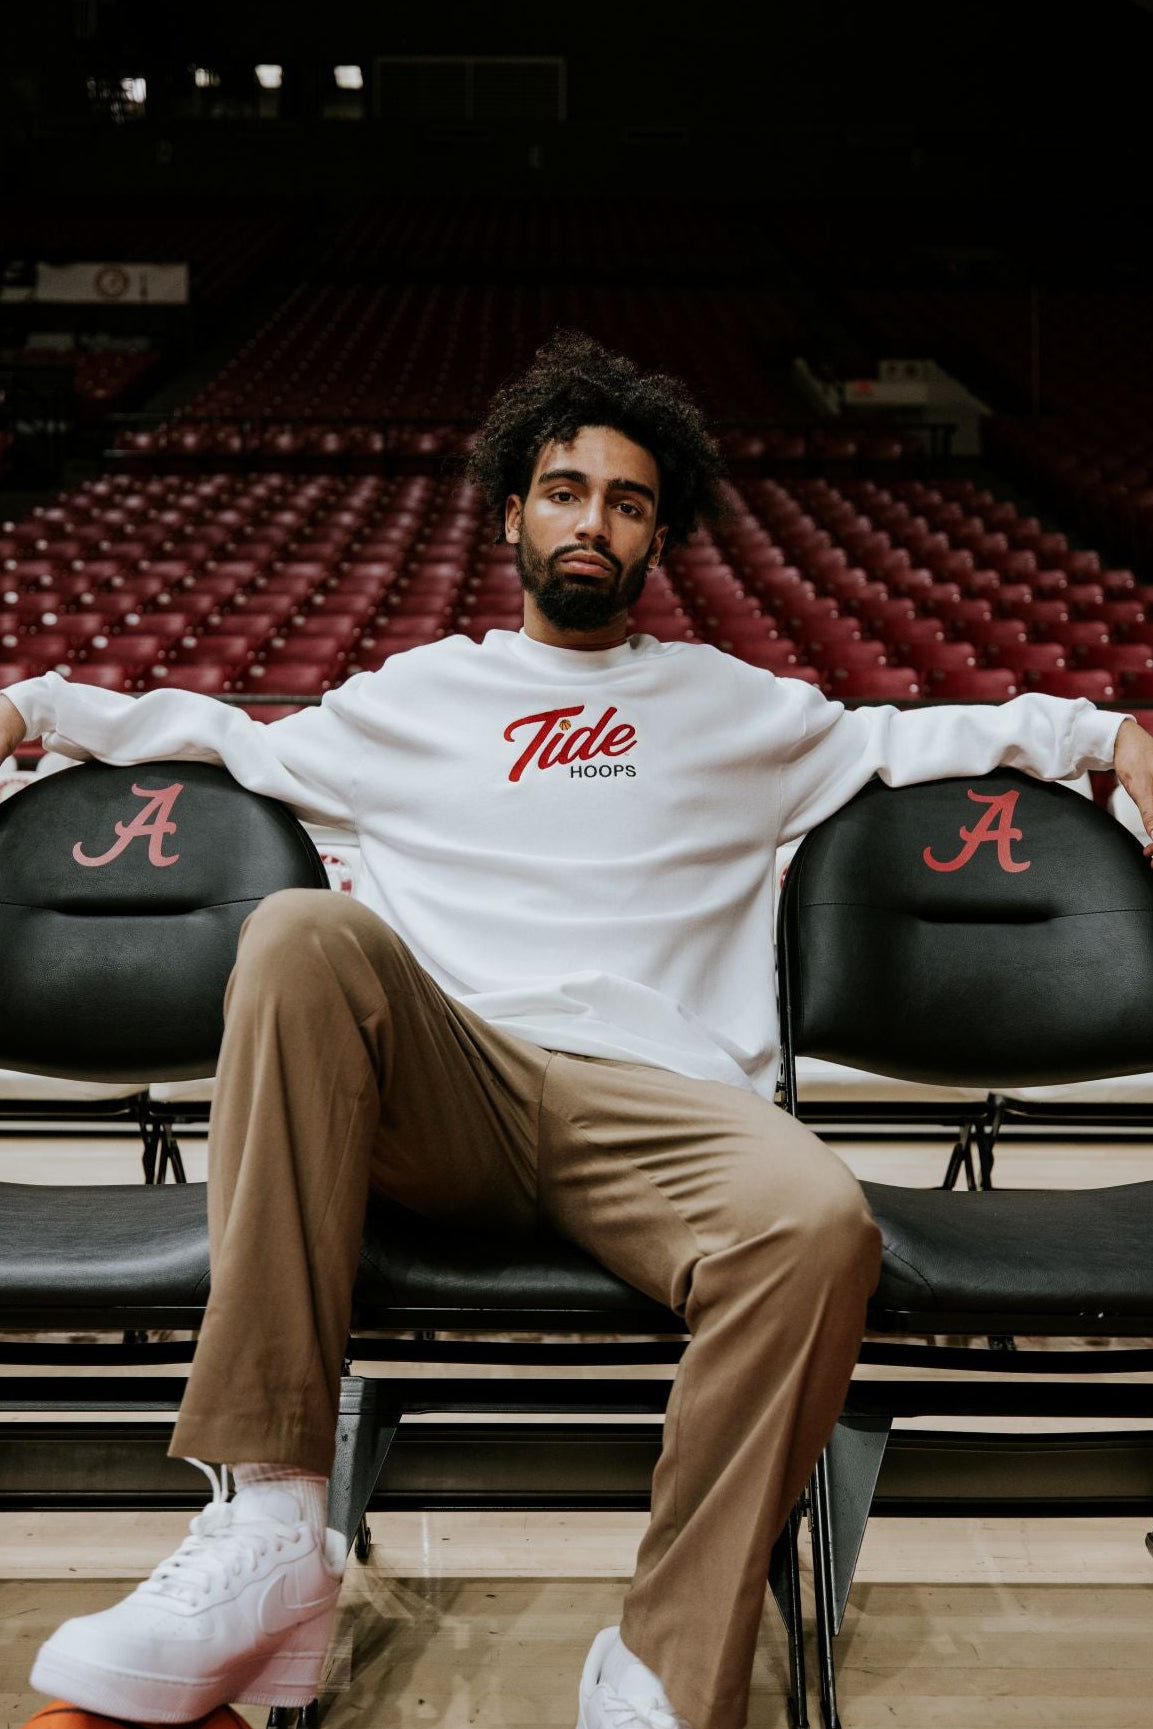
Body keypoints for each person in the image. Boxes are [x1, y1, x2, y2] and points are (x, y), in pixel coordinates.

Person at [15, 331, 1153, 1729]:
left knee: (818, 1221)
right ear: (513, 509)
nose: (590, 520)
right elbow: (203, 735)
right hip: (458, 1086)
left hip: (666, 1107)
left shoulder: (748, 712)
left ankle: (664, 1667)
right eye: (564, 489)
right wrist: (30, 704)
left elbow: (927, 739)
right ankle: (267, 1529)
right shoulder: (408, 701)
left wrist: (1104, 737)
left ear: (657, 534)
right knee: (299, 934)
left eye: (624, 500)